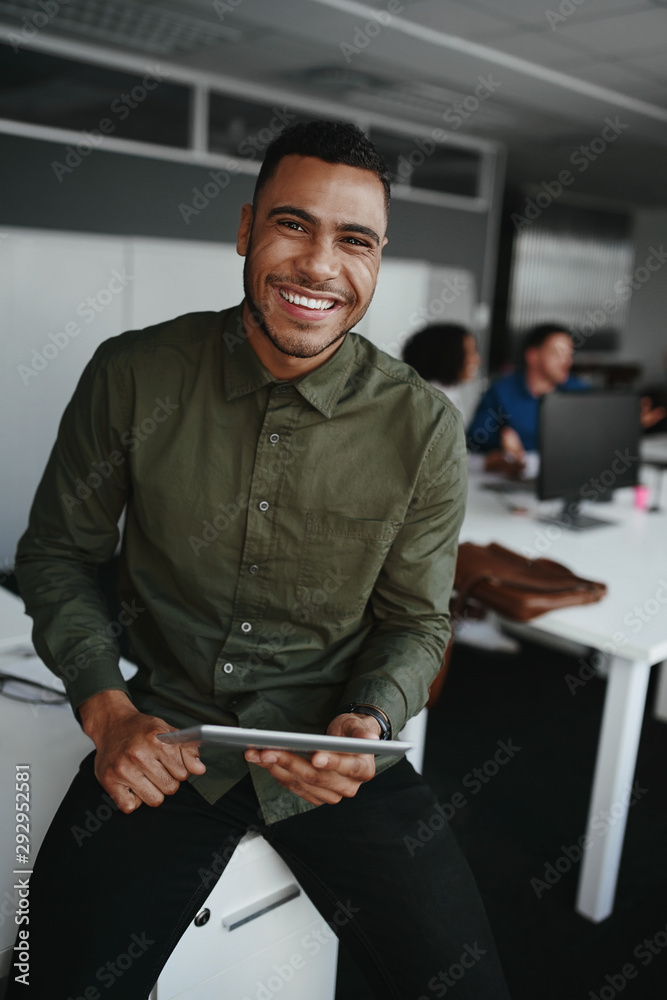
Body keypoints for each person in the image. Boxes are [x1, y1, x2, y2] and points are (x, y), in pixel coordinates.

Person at [9, 121, 510, 1000]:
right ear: (245, 230)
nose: (320, 265)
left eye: (353, 239)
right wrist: (105, 708)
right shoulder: (133, 374)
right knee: (48, 980)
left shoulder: (422, 426)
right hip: (165, 737)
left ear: (378, 259)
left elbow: (415, 620)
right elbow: (57, 554)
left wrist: (371, 720)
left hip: (331, 749)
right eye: (292, 225)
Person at [466, 322, 586, 468]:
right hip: (515, 478)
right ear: (532, 356)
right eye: (557, 354)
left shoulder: (579, 392)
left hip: (566, 471)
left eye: (569, 355)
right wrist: (500, 442)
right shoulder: (501, 391)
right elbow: (474, 441)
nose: (567, 362)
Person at [401, 322, 481, 415]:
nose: (477, 360)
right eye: (470, 352)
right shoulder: (430, 403)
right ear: (447, 357)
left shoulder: (450, 393)